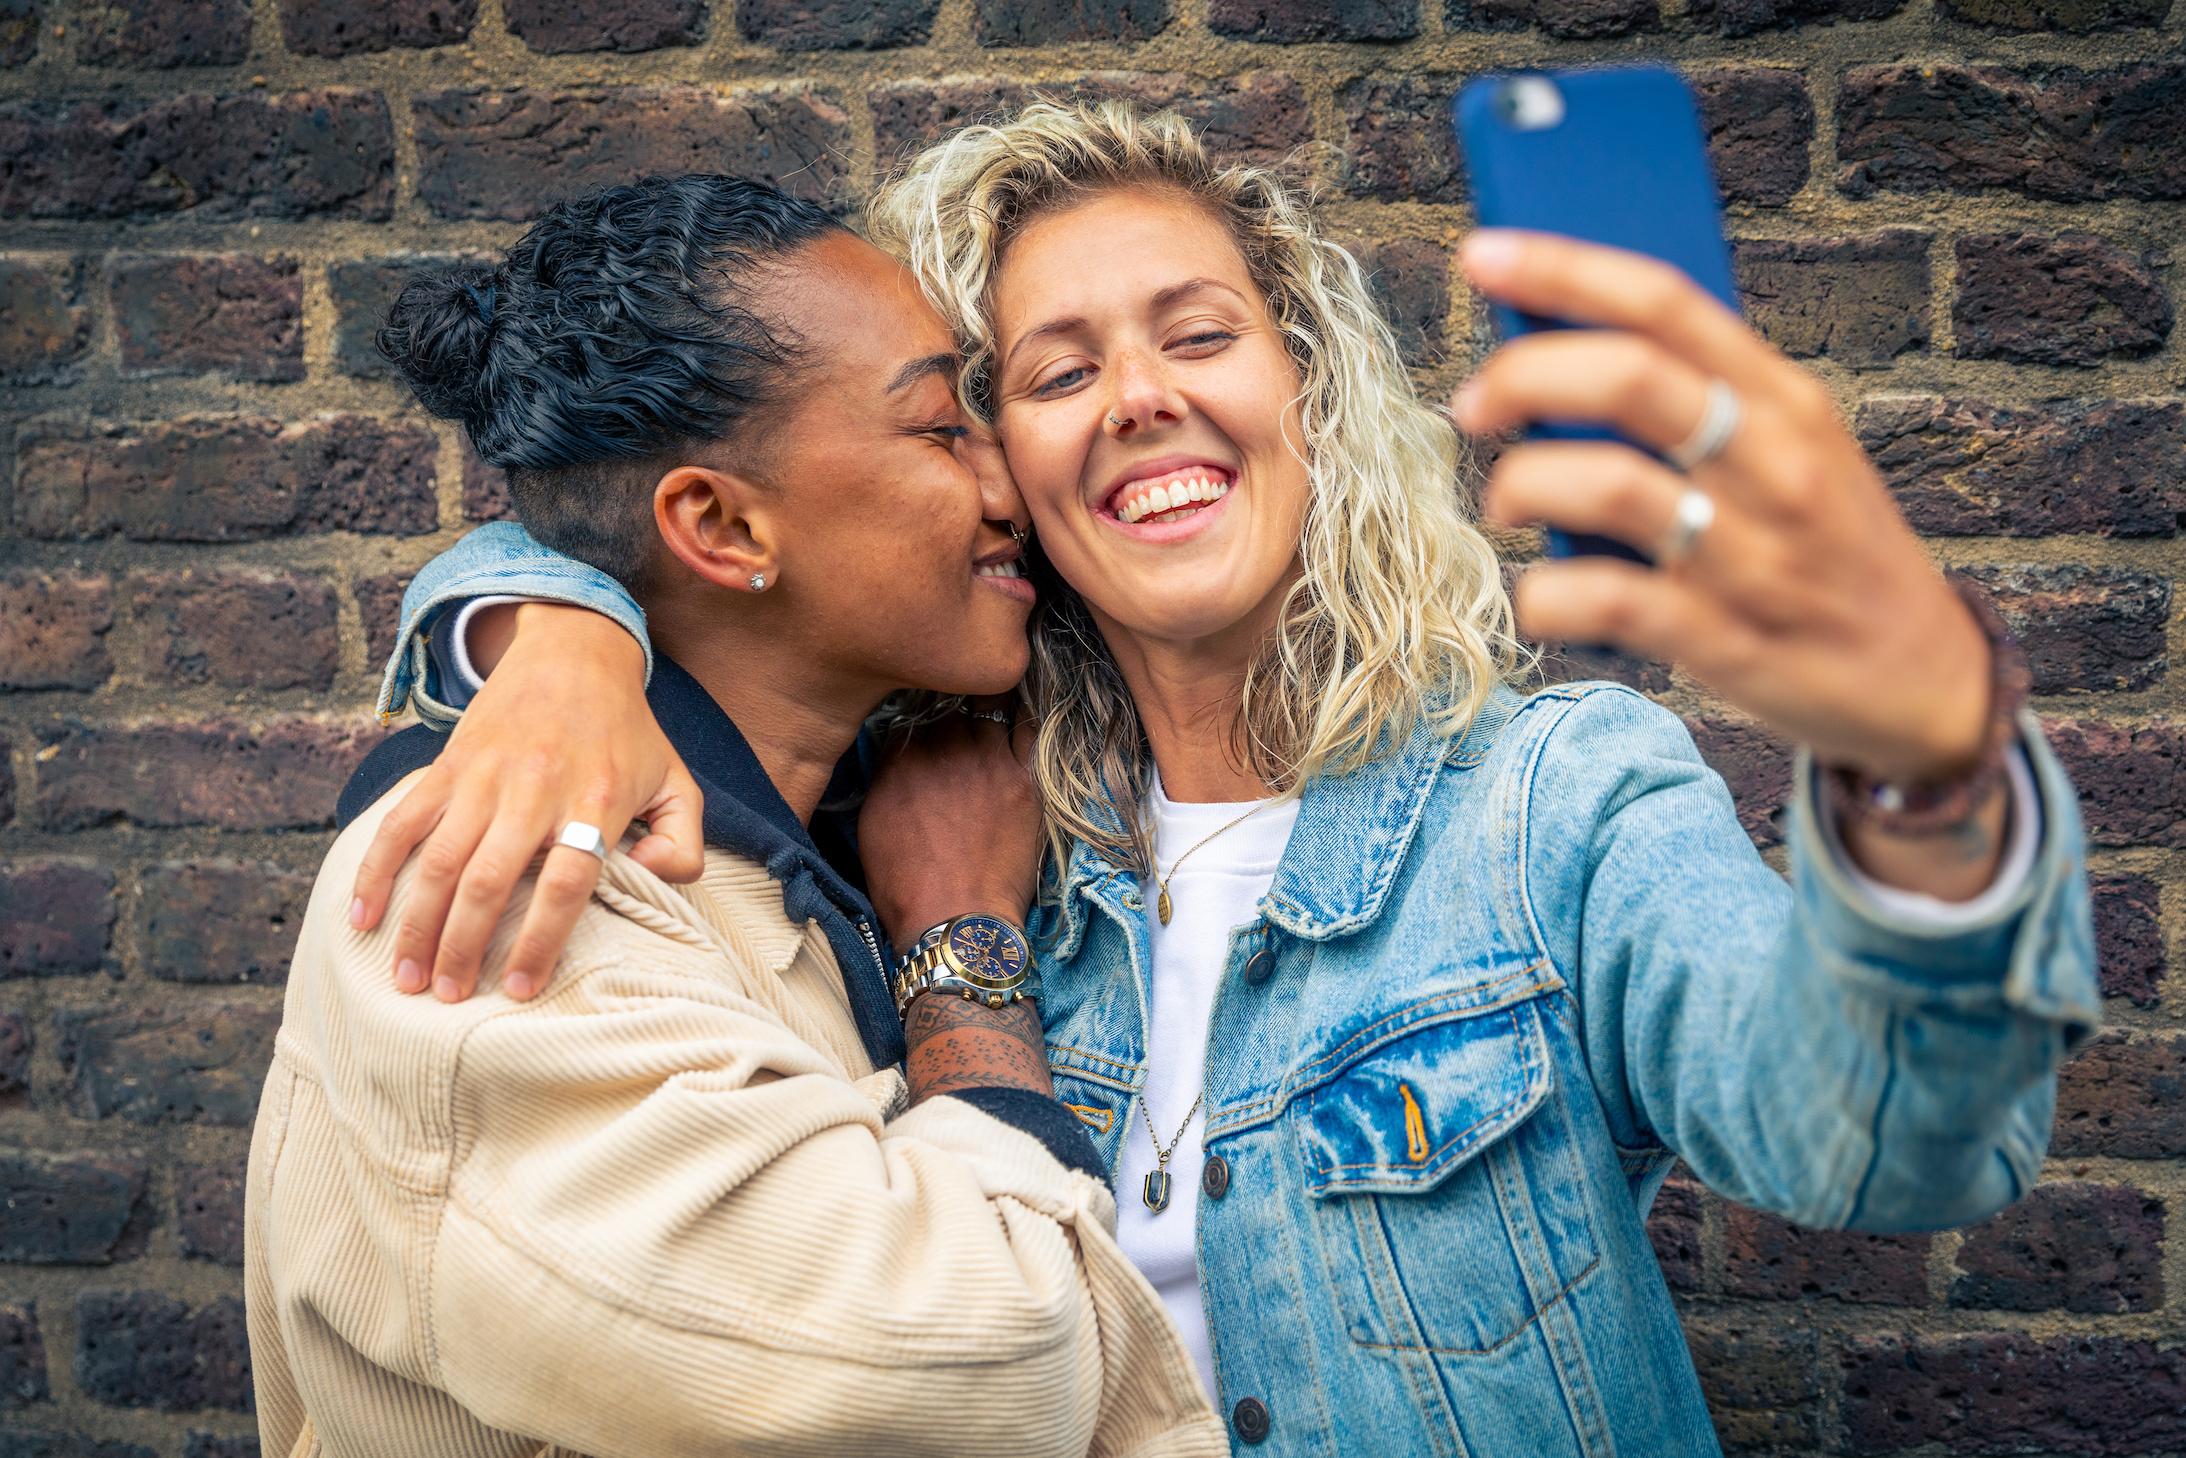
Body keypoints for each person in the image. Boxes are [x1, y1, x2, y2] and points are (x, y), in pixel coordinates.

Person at [353, 104, 2100, 1456]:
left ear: (1309, 392)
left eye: (1199, 335)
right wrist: (547, 618)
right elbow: (677, 513)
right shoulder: (935, 847)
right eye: (1048, 372)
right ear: (990, 476)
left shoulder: (1554, 806)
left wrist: (1925, 784)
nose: (1136, 400)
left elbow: (1881, 1142)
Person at [243, 172, 1225, 1458]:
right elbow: (977, 1362)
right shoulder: (501, 908)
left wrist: (542, 620)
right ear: (720, 523)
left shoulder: (816, 816)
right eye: (941, 429)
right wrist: (961, 949)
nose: (1012, 483)